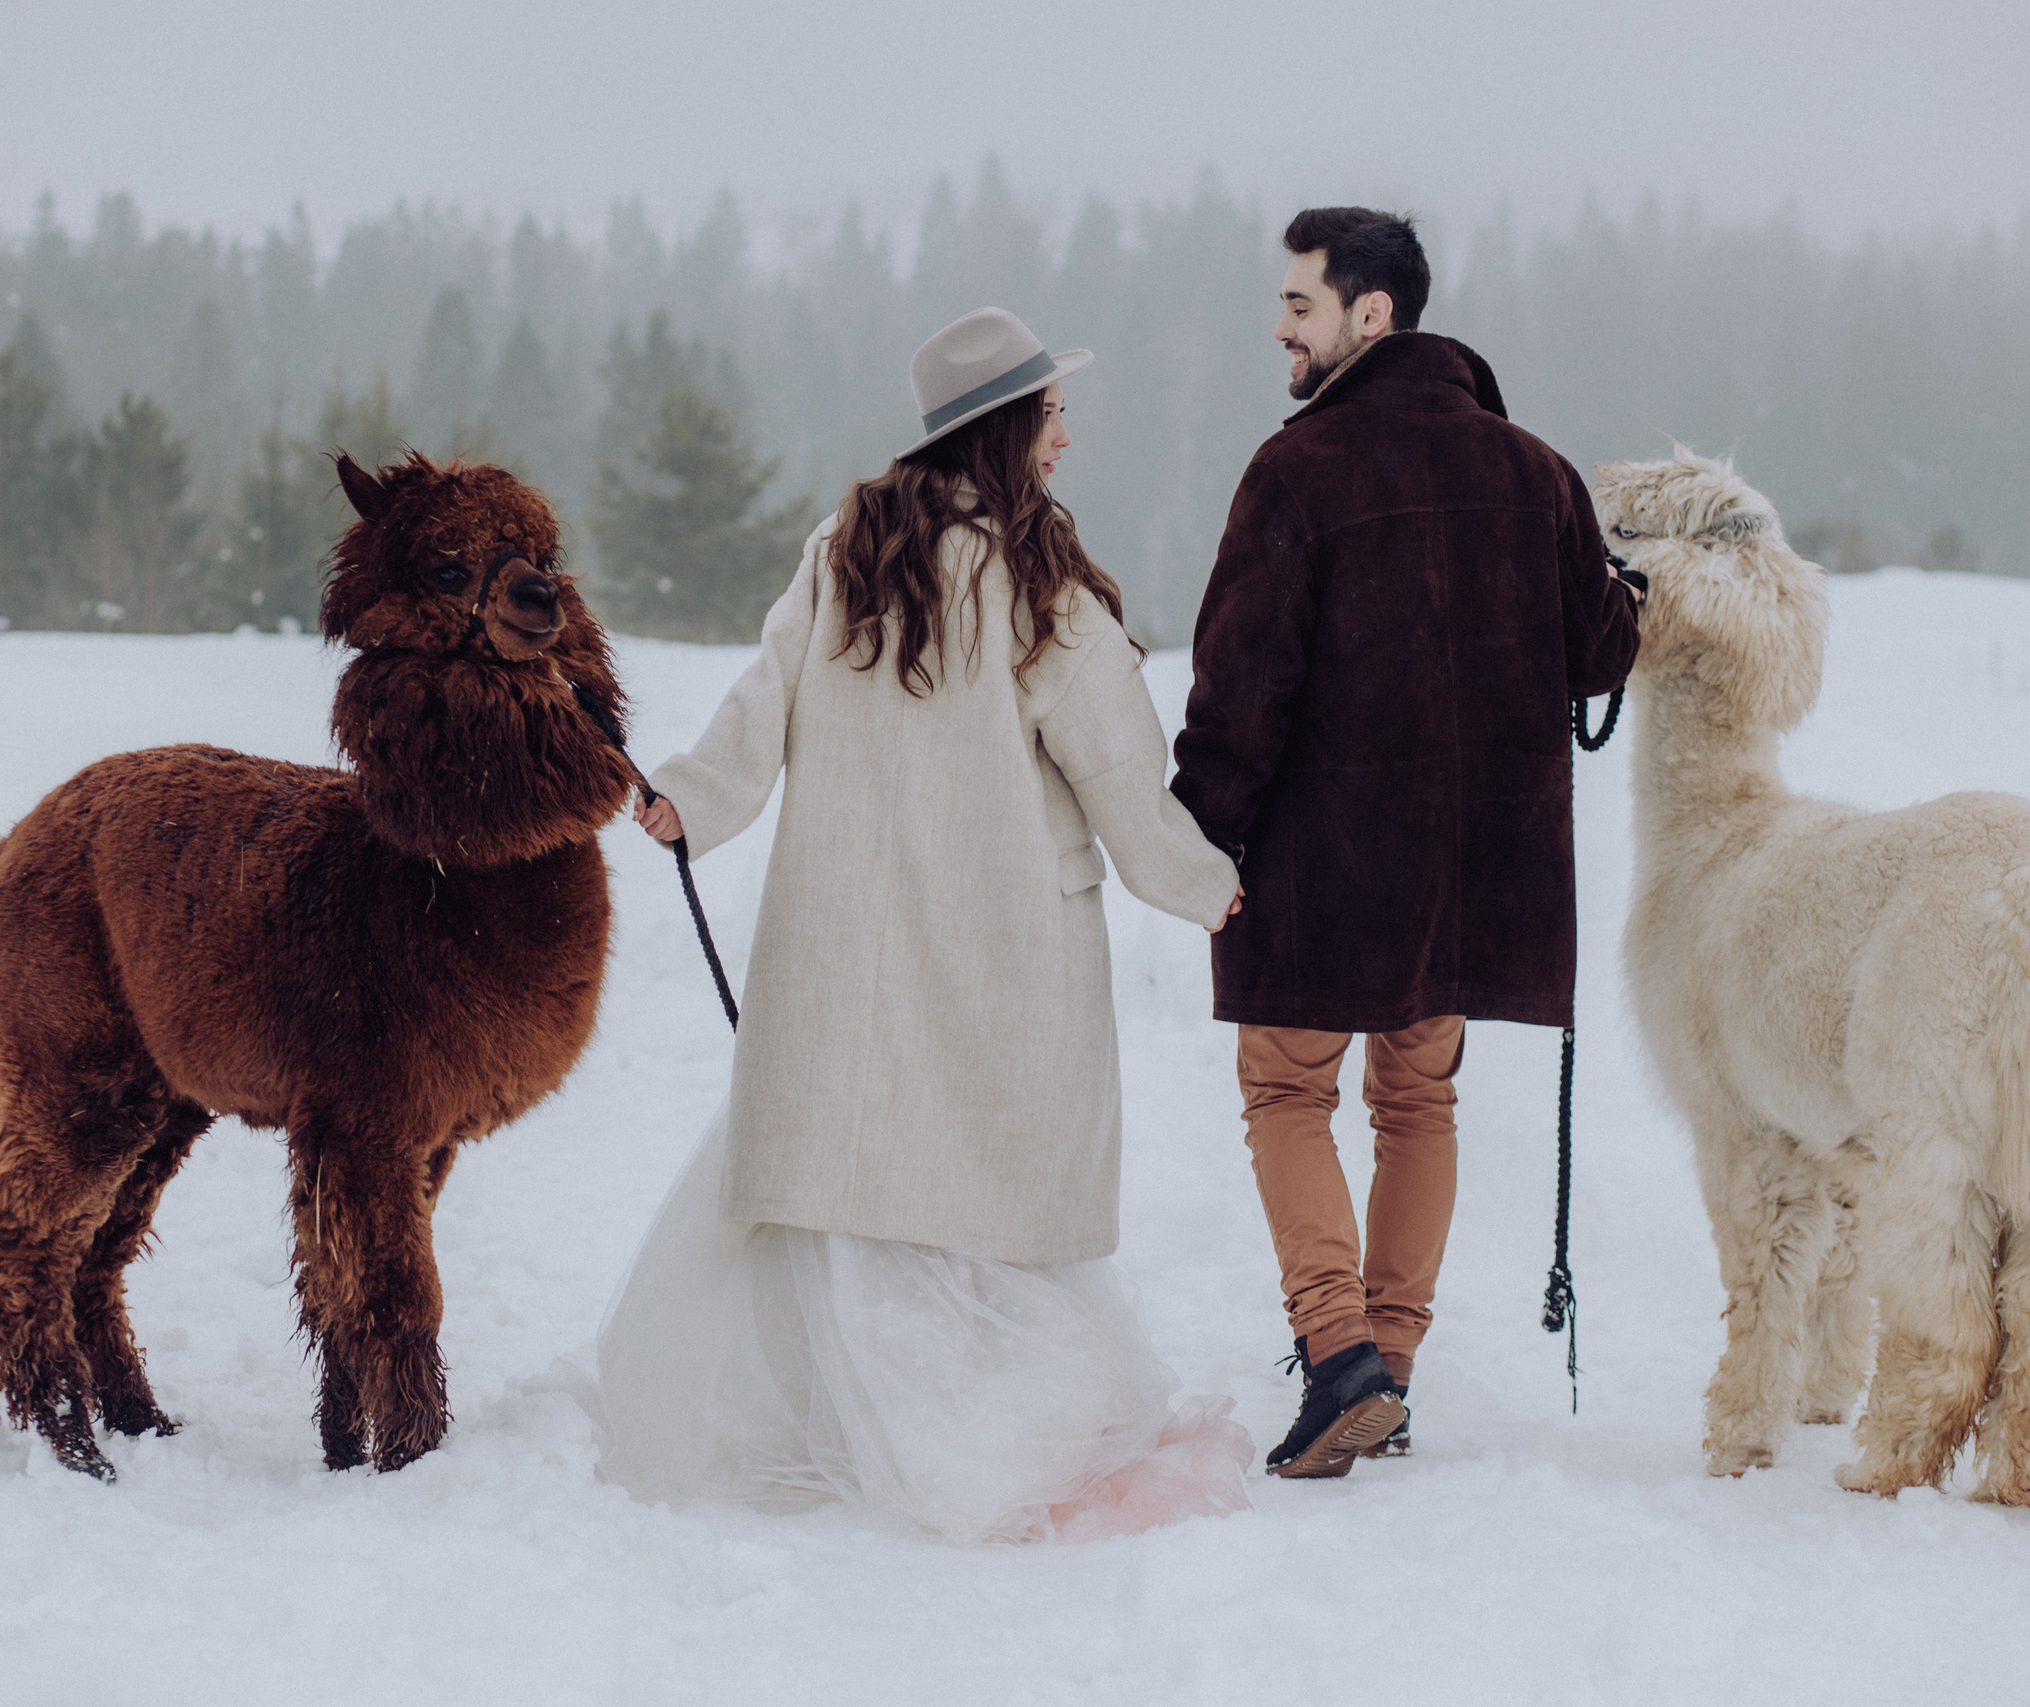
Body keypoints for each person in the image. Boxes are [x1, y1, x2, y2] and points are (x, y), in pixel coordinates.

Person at [592, 307, 1253, 1544]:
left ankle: (846, 1423)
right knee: (980, 1181)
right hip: (997, 937)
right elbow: (1119, 770)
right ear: (1002, 428)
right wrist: (1203, 884)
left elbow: (764, 698)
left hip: (851, 933)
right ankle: (980, 1433)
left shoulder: (848, 551)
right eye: (1051, 414)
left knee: (864, 1168)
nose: (1066, 436)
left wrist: (695, 795)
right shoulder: (1038, 583)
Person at [1170, 208, 1643, 1479]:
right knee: (1417, 1100)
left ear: (1369, 314)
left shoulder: (1297, 471)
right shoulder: (1536, 472)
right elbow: (1603, 651)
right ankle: (1390, 1363)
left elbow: (1239, 685)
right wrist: (1624, 587)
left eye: (1300, 305)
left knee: (1287, 1092)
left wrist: (1199, 834)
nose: (1279, 326)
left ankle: (1339, 1359)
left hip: (1323, 862)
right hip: (1470, 871)